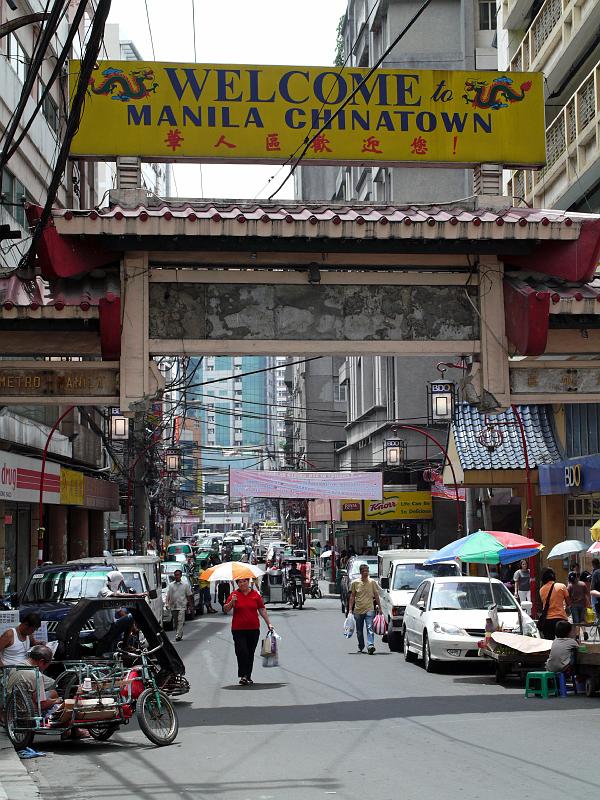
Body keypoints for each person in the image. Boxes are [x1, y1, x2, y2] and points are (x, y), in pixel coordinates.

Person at [223, 577, 273, 685]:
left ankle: (247, 676)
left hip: (253, 629)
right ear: (237, 584)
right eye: (240, 582)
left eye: (244, 581)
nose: (242, 584)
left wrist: (268, 623)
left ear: (248, 582)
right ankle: (243, 674)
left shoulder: (255, 594)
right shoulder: (234, 594)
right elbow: (225, 609)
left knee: (250, 653)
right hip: (238, 629)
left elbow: (262, 609)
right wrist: (232, 602)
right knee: (242, 651)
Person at [93, 571, 147, 655]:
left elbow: (120, 612)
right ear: (116, 582)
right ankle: (125, 645)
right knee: (130, 617)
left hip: (110, 626)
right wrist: (137, 595)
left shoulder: (110, 595)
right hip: (104, 629)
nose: (119, 585)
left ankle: (125, 645)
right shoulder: (104, 591)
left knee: (129, 618)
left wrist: (133, 628)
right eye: (120, 583)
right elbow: (116, 594)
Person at [348, 563, 381, 655]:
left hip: (369, 609)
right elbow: (352, 596)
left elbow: (376, 595)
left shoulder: (372, 582)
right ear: (361, 572)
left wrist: (380, 608)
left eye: (367, 571)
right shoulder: (355, 583)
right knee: (359, 631)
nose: (366, 573)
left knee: (370, 628)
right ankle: (361, 645)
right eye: (364, 571)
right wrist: (350, 609)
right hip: (358, 610)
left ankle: (370, 645)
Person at [539, 568, 570, 640]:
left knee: (549, 644)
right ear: (553, 576)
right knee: (563, 642)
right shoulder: (562, 586)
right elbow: (568, 603)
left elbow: (543, 603)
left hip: (547, 620)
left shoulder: (541, 590)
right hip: (561, 619)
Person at [166, 569, 194, 641]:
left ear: (181, 576)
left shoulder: (185, 585)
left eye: (178, 575)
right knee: (176, 622)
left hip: (182, 606)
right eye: (175, 575)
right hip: (173, 606)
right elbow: (168, 595)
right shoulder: (171, 585)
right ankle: (179, 633)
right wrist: (167, 603)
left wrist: (190, 606)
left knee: (180, 620)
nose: (177, 576)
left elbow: (188, 595)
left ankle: (178, 635)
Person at [567, 570, 590, 641]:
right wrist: (588, 604)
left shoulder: (570, 586)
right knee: (582, 620)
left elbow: (567, 596)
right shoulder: (582, 584)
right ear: (577, 576)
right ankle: (584, 632)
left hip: (574, 606)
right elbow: (586, 595)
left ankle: (577, 635)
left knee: (576, 621)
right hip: (582, 605)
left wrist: (568, 605)